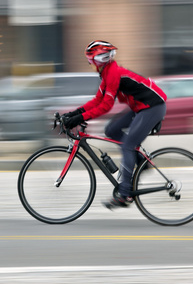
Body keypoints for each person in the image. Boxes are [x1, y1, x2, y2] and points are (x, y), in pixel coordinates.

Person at [63, 40, 167, 209]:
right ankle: (142, 162)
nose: (89, 64)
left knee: (127, 146)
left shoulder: (113, 73)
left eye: (90, 61)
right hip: (141, 108)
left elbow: (106, 106)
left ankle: (125, 195)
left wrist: (81, 118)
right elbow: (97, 100)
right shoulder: (107, 74)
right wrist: (74, 114)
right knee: (111, 130)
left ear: (99, 60)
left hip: (153, 107)